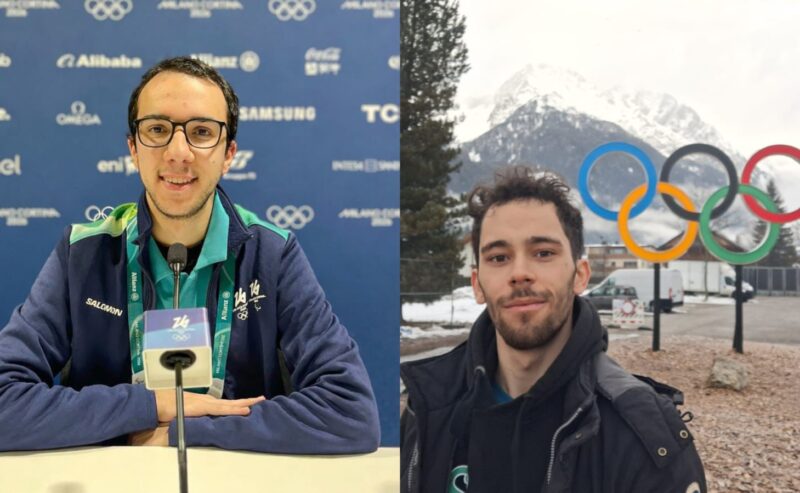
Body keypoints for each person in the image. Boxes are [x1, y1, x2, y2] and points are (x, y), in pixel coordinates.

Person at [0, 57, 380, 453]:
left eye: (201, 132)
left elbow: (351, 412)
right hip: (113, 478)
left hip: (235, 477)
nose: (178, 152)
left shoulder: (272, 254)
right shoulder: (83, 252)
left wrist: (188, 431)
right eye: (157, 130)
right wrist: (152, 406)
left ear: (228, 153)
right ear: (133, 149)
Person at [400, 167, 706, 492]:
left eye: (543, 253)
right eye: (499, 257)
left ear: (580, 275)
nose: (519, 273)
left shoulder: (644, 436)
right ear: (477, 284)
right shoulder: (428, 407)